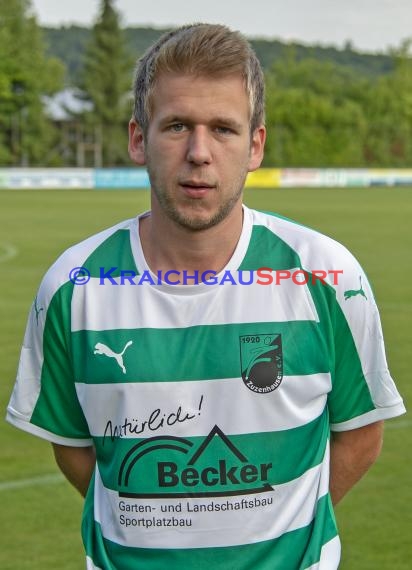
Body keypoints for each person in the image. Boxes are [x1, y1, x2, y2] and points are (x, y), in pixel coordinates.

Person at [6, 23, 405, 570]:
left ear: (255, 145)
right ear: (138, 138)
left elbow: (361, 436)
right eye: (176, 126)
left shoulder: (326, 275)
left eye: (223, 128)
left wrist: (272, 524)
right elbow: (73, 446)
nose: (199, 152)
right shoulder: (74, 285)